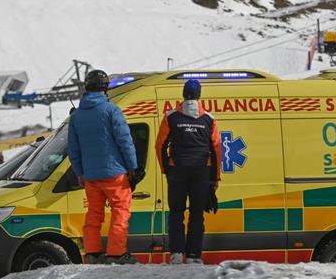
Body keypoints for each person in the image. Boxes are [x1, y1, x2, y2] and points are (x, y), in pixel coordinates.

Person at [68, 69, 142, 265]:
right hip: (115, 173)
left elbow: (73, 149)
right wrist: (133, 167)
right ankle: (116, 254)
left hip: (91, 176)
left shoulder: (76, 117)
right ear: (105, 88)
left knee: (93, 214)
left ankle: (92, 253)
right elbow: (124, 141)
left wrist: (80, 173)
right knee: (120, 211)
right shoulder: (112, 110)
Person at [155, 79, 221, 265]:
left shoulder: (171, 117)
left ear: (183, 94)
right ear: (199, 96)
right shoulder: (209, 119)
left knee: (176, 212)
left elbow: (160, 145)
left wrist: (167, 169)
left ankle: (176, 253)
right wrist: (215, 178)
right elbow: (216, 149)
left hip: (177, 171)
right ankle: (194, 256)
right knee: (196, 213)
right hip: (201, 173)